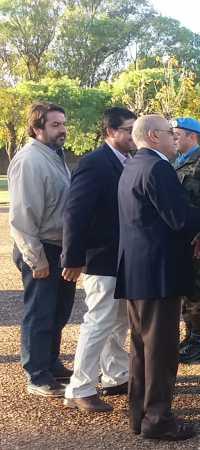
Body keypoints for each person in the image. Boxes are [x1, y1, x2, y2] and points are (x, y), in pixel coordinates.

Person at [116, 114, 200, 441]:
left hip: (138, 271)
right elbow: (180, 219)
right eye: (170, 133)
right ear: (153, 136)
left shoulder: (134, 165)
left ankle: (140, 414)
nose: (175, 138)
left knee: (141, 348)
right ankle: (158, 419)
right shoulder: (157, 168)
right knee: (161, 351)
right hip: (157, 274)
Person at [61, 107, 137, 412]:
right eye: (128, 130)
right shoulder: (94, 163)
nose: (133, 135)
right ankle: (79, 388)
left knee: (117, 321)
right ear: (111, 132)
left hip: (121, 257)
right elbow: (75, 212)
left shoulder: (127, 161)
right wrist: (73, 257)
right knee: (98, 321)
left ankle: (116, 375)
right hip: (100, 257)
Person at [9, 102, 76, 397]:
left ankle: (50, 362)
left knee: (58, 311)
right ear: (37, 128)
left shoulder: (54, 156)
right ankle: (37, 375)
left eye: (63, 123)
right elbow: (23, 216)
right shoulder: (30, 160)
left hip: (59, 247)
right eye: (55, 125)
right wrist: (36, 259)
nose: (63, 129)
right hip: (41, 248)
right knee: (40, 313)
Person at [172, 117, 200, 363]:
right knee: (185, 286)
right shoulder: (176, 162)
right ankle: (189, 336)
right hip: (182, 236)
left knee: (198, 288)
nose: (173, 138)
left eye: (177, 134)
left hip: (199, 238)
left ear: (192, 136)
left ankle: (199, 340)